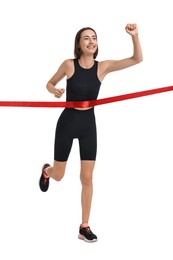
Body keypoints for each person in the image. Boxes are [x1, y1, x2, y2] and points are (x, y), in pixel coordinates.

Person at [39, 23, 143, 242]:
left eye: (94, 37)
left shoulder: (102, 67)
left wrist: (135, 36)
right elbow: (49, 82)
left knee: (86, 177)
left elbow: (136, 59)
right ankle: (47, 171)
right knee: (60, 175)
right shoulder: (68, 65)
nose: (91, 41)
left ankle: (84, 226)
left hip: (88, 126)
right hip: (67, 123)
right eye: (85, 38)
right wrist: (54, 90)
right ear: (78, 44)